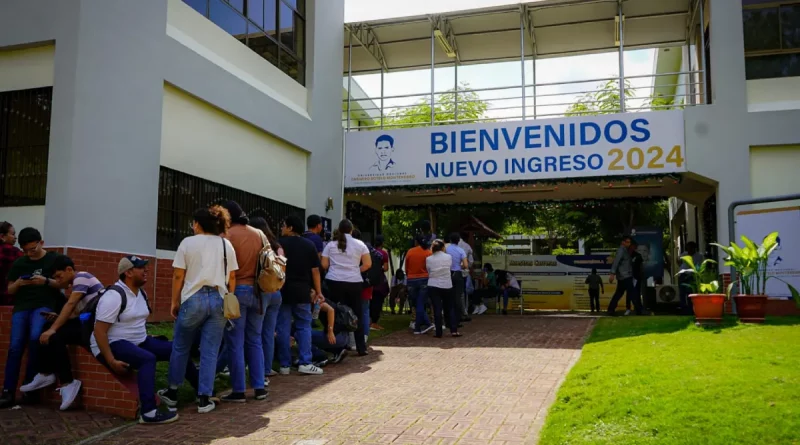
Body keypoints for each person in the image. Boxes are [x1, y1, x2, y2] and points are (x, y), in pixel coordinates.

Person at [92, 256, 195, 424]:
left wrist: (151, 338)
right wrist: (111, 360)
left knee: (178, 349)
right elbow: (99, 332)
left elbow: (136, 322)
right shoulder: (114, 296)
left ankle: (203, 393)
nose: (146, 270)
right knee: (147, 359)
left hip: (139, 340)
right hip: (113, 343)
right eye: (141, 267)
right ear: (128, 273)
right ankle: (148, 412)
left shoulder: (141, 293)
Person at [163, 206, 236, 414]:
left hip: (193, 298)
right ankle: (204, 397)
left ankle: (172, 392)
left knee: (180, 346)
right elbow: (232, 277)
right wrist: (229, 296)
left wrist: (174, 301)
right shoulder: (225, 245)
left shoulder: (187, 243)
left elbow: (178, 275)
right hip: (219, 298)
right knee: (210, 350)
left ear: (198, 224)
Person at [20, 255, 102, 410]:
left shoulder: (82, 277)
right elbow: (76, 313)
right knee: (46, 331)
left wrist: (53, 328)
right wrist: (58, 320)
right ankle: (45, 374)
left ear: (69, 270)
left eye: (59, 276)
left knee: (54, 334)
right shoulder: (77, 283)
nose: (58, 281)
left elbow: (70, 305)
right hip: (87, 324)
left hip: (95, 329)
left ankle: (67, 382)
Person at [1, 227, 63, 409]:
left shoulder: (53, 259)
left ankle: (30, 387)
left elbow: (63, 283)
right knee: (15, 347)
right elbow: (9, 289)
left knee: (36, 337)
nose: (30, 253)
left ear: (41, 243)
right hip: (22, 306)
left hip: (43, 305)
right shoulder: (20, 263)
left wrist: (44, 281)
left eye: (33, 249)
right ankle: (8, 391)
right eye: (26, 250)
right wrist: (20, 282)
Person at [215, 202, 268, 403]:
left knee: (235, 342)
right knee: (255, 340)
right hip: (258, 292)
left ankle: (238, 390)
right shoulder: (259, 234)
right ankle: (259, 386)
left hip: (236, 291)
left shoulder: (228, 236)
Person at [278, 215, 325, 374]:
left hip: (282, 290)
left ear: (290, 227)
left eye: (284, 225)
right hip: (302, 291)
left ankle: (284, 364)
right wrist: (318, 291)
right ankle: (305, 361)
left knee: (283, 327)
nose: (282, 228)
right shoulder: (309, 245)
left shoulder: (279, 244)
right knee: (304, 326)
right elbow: (315, 271)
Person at [321, 219, 371, 355]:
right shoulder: (360, 244)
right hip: (354, 282)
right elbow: (367, 264)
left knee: (336, 312)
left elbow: (324, 265)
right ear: (351, 229)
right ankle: (361, 347)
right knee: (357, 313)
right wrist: (355, 270)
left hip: (334, 281)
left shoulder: (331, 245)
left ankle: (337, 344)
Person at [248, 217, 283, 379]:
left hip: (261, 291)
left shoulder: (257, 245)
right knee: (269, 332)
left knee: (255, 332)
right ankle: (267, 368)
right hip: (276, 291)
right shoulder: (277, 246)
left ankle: (257, 368)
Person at [426, 240, 460, 338]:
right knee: (450, 308)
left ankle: (438, 332)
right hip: (447, 284)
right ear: (442, 247)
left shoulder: (429, 259)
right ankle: (454, 330)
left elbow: (428, 270)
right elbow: (450, 268)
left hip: (433, 284)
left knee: (437, 308)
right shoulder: (448, 257)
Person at [607, 236, 643, 316]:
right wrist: (612, 273)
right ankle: (639, 310)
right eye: (627, 242)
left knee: (619, 293)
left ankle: (610, 309)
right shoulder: (621, 250)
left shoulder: (625, 251)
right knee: (632, 293)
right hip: (625, 276)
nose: (629, 244)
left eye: (629, 242)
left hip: (624, 276)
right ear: (623, 242)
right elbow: (616, 262)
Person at [405, 235, 433, 334]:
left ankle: (423, 324)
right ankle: (421, 325)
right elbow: (430, 268)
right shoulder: (428, 253)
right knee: (420, 303)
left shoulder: (410, 252)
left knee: (417, 304)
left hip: (411, 279)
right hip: (424, 279)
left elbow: (406, 267)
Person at [309, 300, 349, 364]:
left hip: (336, 337)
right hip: (343, 336)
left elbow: (331, 310)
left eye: (311, 292)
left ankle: (320, 357)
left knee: (301, 335)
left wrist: (330, 331)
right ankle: (337, 350)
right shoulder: (323, 301)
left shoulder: (319, 302)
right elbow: (314, 319)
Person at [445, 233, 470, 323]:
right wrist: (460, 266)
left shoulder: (446, 249)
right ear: (459, 241)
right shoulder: (461, 250)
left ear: (450, 240)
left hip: (448, 273)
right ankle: (458, 319)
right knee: (458, 297)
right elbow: (466, 265)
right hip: (458, 274)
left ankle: (448, 319)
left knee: (448, 296)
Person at [370, 235, 390, 331]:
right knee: (378, 301)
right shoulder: (384, 254)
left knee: (370, 300)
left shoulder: (370, 252)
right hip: (379, 280)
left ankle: (369, 321)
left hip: (369, 279)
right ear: (382, 243)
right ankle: (374, 322)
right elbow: (386, 268)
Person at [1, 221, 23, 306]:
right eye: (13, 234)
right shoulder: (14, 252)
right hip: (9, 296)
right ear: (2, 236)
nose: (15, 237)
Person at [678, 241, 702, 315]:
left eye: (690, 248)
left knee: (689, 292)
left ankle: (690, 310)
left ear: (694, 248)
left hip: (691, 275)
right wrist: (681, 266)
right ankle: (683, 309)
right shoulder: (684, 254)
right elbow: (678, 260)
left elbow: (699, 266)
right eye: (688, 248)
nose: (689, 250)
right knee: (682, 293)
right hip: (682, 275)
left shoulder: (699, 256)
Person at [626, 240, 645, 315]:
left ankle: (638, 308)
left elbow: (641, 266)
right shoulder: (625, 255)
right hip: (627, 276)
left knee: (636, 293)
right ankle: (628, 308)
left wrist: (641, 275)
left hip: (636, 277)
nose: (634, 247)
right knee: (628, 293)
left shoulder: (638, 255)